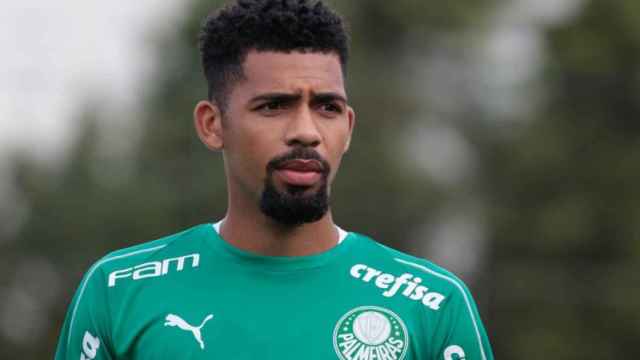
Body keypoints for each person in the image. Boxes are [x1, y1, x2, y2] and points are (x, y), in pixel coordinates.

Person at [55, 0, 494, 359]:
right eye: (273, 106)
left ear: (349, 128)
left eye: (327, 107)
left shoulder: (433, 304)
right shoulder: (119, 291)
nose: (306, 131)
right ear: (212, 125)